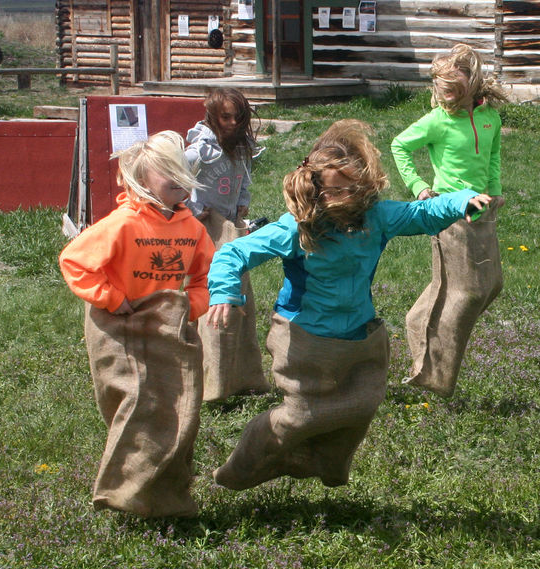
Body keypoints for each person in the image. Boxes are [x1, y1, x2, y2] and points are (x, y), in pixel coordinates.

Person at [206, 119, 490, 491]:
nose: (343, 198)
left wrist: (461, 199)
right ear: (315, 187)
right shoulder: (299, 227)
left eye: (351, 189)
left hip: (358, 333)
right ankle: (244, 463)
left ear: (366, 185)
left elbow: (423, 214)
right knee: (299, 417)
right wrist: (225, 292)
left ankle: (321, 463)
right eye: (333, 190)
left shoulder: (378, 218)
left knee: (359, 408)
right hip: (305, 336)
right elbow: (234, 252)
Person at [59, 130, 215, 518]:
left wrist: (189, 306)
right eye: (170, 175)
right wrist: (113, 298)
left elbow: (206, 275)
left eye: (184, 174)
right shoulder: (124, 223)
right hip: (117, 323)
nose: (180, 182)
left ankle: (164, 493)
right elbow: (75, 262)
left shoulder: (191, 228)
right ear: (144, 181)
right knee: (134, 400)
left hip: (164, 324)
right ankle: (125, 490)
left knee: (175, 404)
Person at [391, 43, 509, 398]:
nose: (447, 100)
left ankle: (417, 321)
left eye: (454, 92)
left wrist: (496, 189)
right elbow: (400, 145)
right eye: (443, 93)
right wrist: (420, 188)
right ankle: (433, 375)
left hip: (481, 208)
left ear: (471, 86)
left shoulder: (490, 118)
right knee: (467, 291)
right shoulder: (437, 121)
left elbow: (492, 157)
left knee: (488, 285)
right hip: (449, 210)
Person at [185, 88, 269, 402]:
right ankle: (209, 379)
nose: (232, 122)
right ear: (212, 115)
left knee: (238, 296)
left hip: (232, 228)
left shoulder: (241, 149)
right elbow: (172, 176)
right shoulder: (200, 150)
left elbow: (243, 178)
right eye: (225, 116)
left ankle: (241, 376)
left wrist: (243, 201)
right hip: (206, 230)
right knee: (210, 294)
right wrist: (191, 209)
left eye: (238, 116)